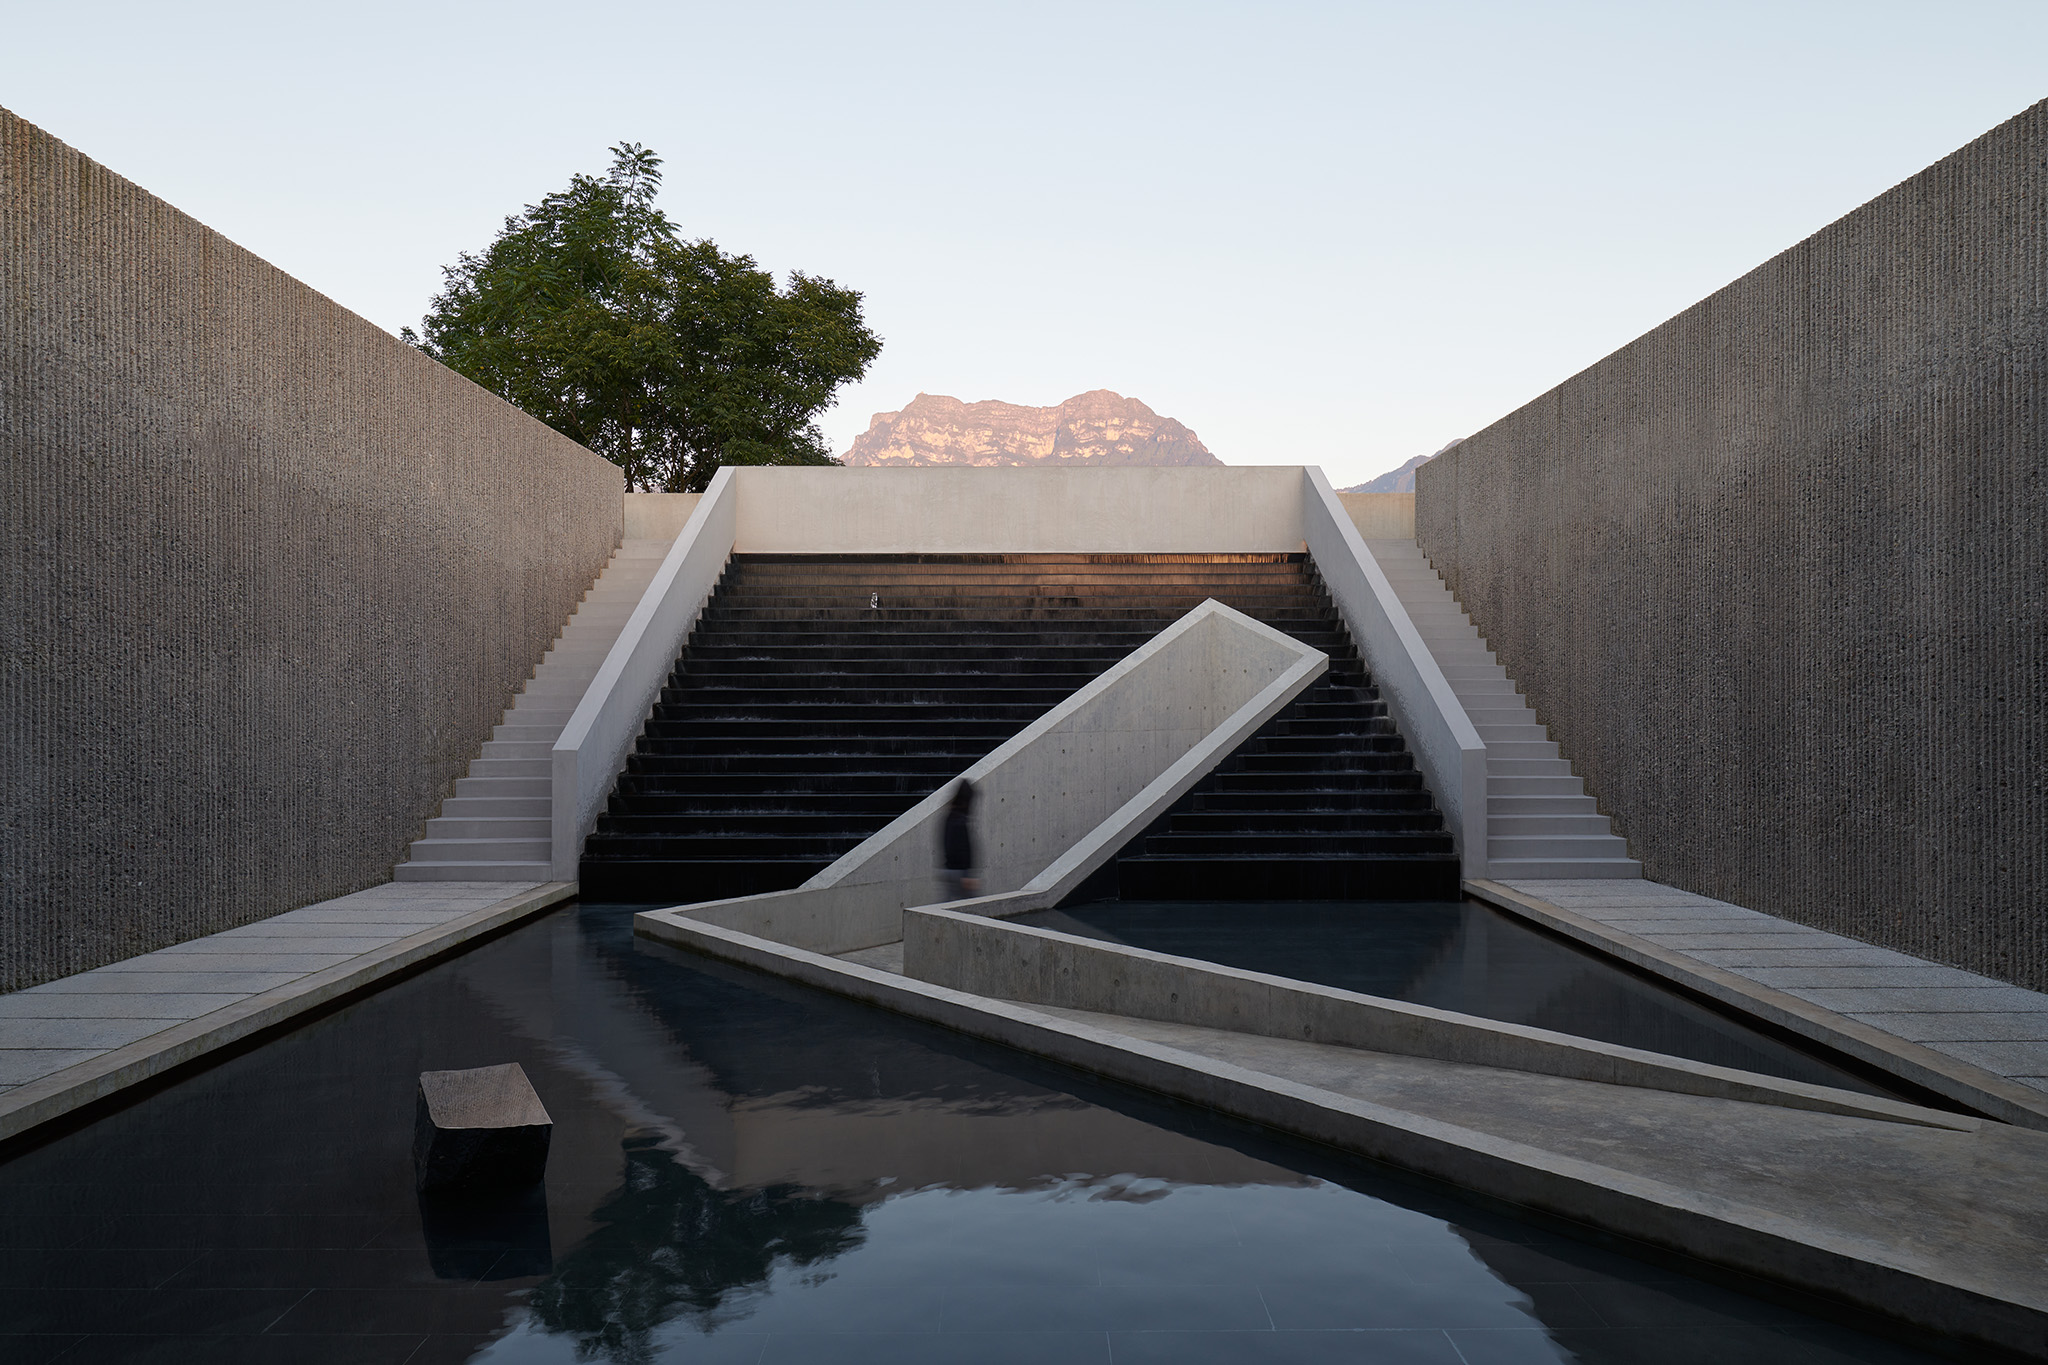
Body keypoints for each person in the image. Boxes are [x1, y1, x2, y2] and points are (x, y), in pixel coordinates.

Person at [940, 780, 980, 900]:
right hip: (960, 872)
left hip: (950, 869)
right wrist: (966, 875)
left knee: (951, 902)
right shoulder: (959, 820)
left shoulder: (950, 816)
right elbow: (960, 847)